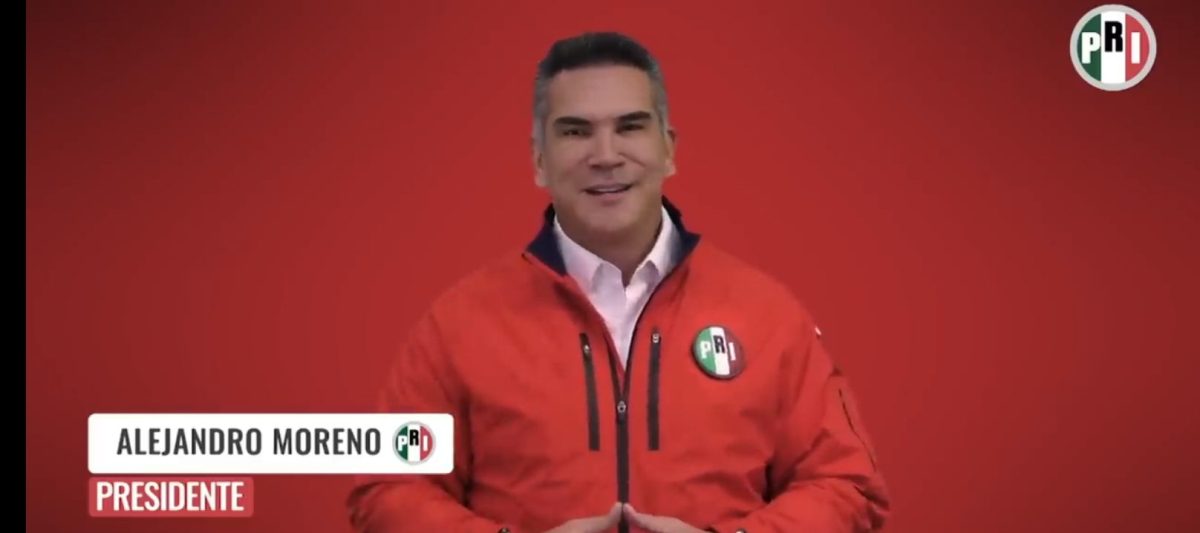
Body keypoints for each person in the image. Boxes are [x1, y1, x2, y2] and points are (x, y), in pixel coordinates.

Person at [347, 31, 890, 533]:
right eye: (576, 132)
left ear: (668, 148)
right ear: (539, 160)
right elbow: (386, 489)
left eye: (630, 127)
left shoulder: (768, 315)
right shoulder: (457, 325)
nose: (606, 156)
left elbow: (847, 485)